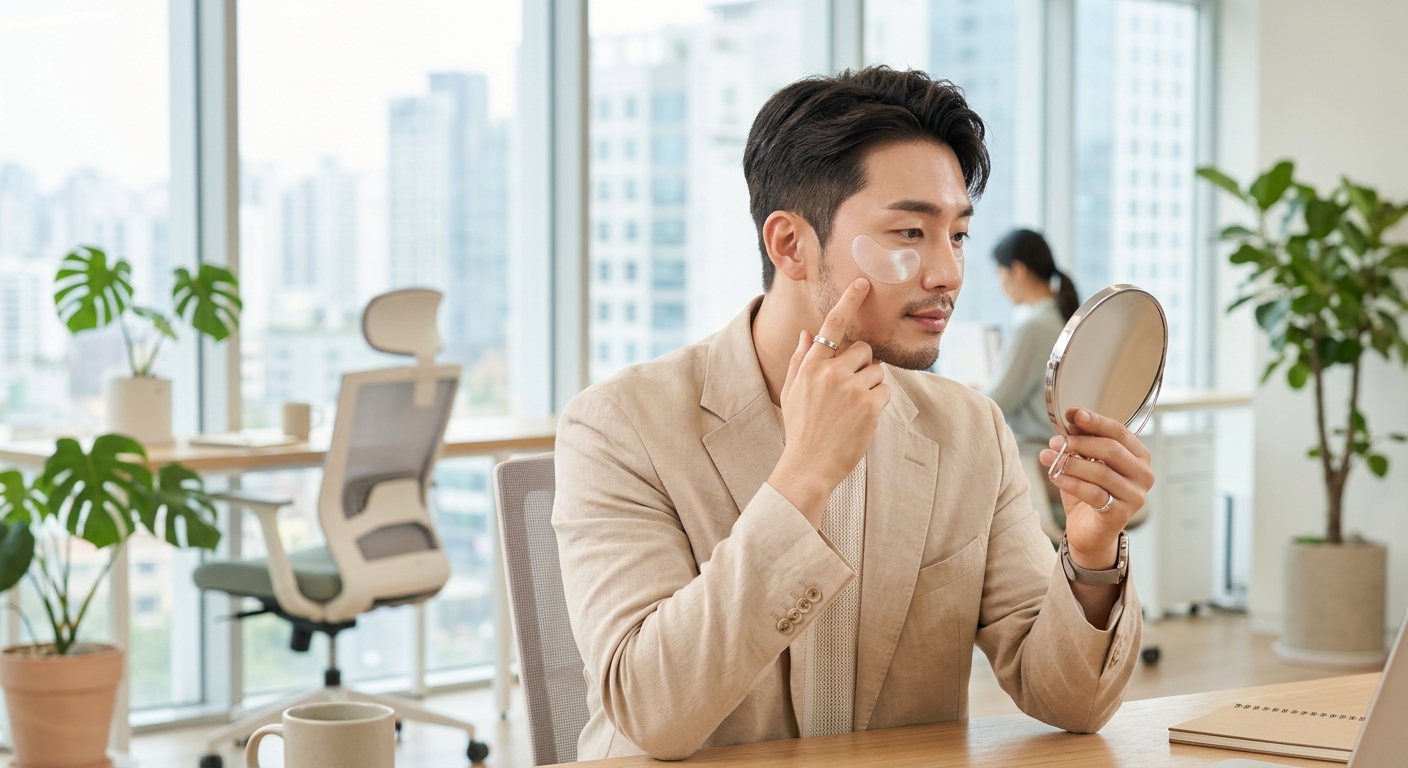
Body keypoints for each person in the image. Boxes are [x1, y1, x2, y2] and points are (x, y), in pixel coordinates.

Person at [553, 66, 1152, 761]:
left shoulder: (968, 430)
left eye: (956, 235)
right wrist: (803, 476)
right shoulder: (618, 425)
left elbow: (1071, 701)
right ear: (790, 245)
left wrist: (1090, 553)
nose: (948, 273)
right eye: (909, 232)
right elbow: (653, 712)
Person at [985, 228, 1080, 445]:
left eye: (1000, 274)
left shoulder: (1033, 328)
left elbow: (998, 403)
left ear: (1018, 271)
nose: (1001, 286)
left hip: (1036, 455)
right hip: (1055, 451)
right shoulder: (1061, 316)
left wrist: (963, 395)